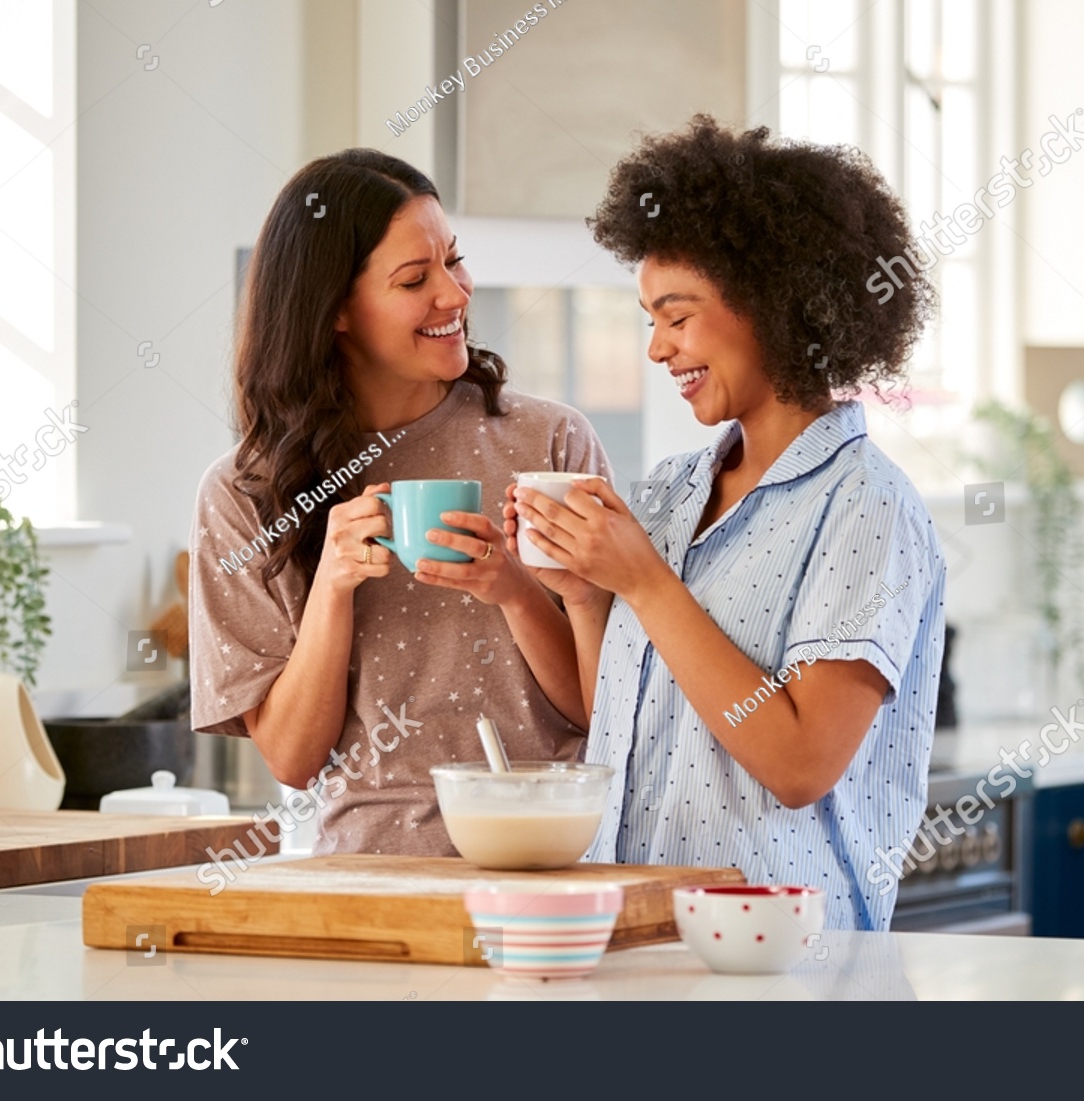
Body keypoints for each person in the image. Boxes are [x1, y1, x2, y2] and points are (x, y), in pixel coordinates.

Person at [511, 117, 946, 930]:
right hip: (639, 954)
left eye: (676, 316)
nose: (656, 349)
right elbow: (617, 711)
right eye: (650, 320)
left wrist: (643, 579)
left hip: (787, 976)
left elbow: (800, 761)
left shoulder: (867, 507)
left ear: (775, 303)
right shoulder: (675, 492)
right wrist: (579, 591)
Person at [187, 149, 610, 856]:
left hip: (549, 858)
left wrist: (512, 589)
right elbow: (292, 758)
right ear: (336, 312)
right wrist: (332, 585)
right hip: (367, 873)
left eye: (454, 260)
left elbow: (605, 710)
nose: (455, 293)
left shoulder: (552, 443)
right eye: (415, 278)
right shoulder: (243, 495)